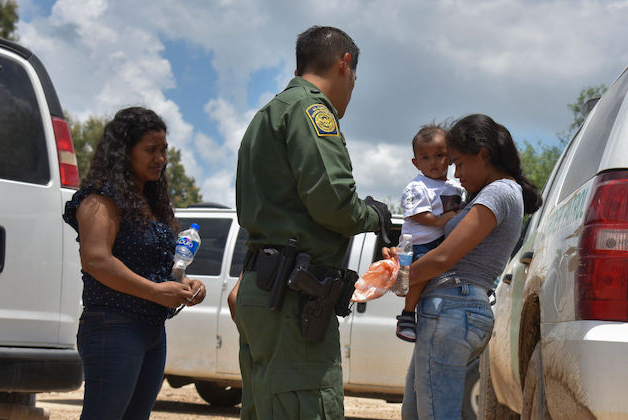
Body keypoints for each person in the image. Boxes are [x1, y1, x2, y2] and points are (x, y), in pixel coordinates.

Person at [231, 25, 391, 420]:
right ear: (345, 64)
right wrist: (375, 216)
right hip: (290, 298)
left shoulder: (268, 114)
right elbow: (334, 203)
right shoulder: (312, 110)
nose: (352, 87)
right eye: (354, 78)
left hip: (265, 289)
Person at [387, 114, 542, 419]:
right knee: (416, 412)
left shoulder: (498, 192)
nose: (455, 174)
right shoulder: (493, 194)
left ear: (483, 155)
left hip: (453, 307)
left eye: (458, 162)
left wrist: (401, 277)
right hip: (453, 308)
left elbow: (446, 256)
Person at [63, 107, 206, 419]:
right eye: (150, 150)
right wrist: (156, 291)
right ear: (124, 152)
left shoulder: (155, 204)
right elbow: (97, 260)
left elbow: (169, 264)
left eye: (164, 150)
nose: (161, 159)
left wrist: (187, 285)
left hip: (152, 331)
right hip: (113, 327)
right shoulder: (101, 198)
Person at [395, 124, 463, 342]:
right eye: (425, 157)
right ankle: (407, 314)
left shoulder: (456, 187)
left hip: (443, 242)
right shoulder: (418, 187)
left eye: (440, 155)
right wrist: (439, 221)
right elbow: (415, 214)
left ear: (451, 157)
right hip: (420, 243)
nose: (433, 162)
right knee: (421, 275)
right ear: (416, 163)